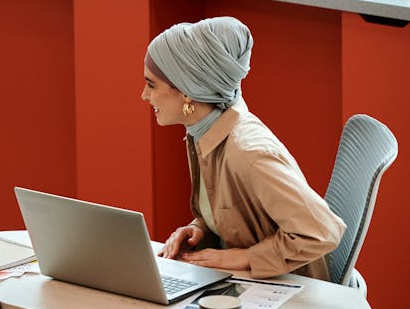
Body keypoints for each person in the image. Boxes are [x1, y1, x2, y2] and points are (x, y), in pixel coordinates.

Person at [142, 16, 345, 279]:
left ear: (186, 91)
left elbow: (323, 230)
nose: (144, 96)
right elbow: (238, 212)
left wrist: (246, 257)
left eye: (151, 84)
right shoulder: (202, 131)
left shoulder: (247, 153)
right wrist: (201, 229)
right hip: (252, 284)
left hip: (289, 295)